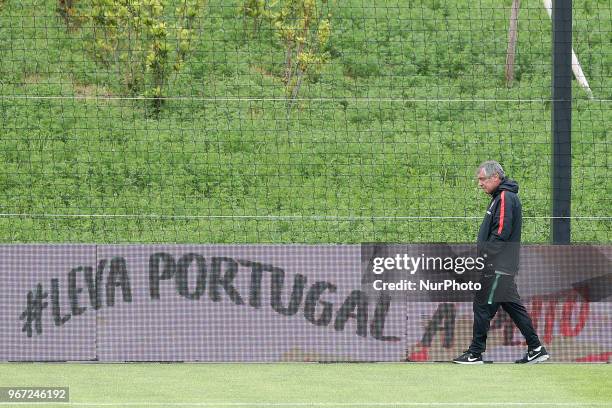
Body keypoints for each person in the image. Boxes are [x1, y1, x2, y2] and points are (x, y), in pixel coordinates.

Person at [453, 160, 550, 364]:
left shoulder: (505, 197)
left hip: (497, 266)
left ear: (495, 177)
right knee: (513, 307)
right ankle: (536, 348)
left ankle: (475, 353)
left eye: (482, 179)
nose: (479, 184)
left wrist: (484, 257)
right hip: (502, 265)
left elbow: (500, 233)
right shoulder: (501, 196)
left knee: (482, 306)